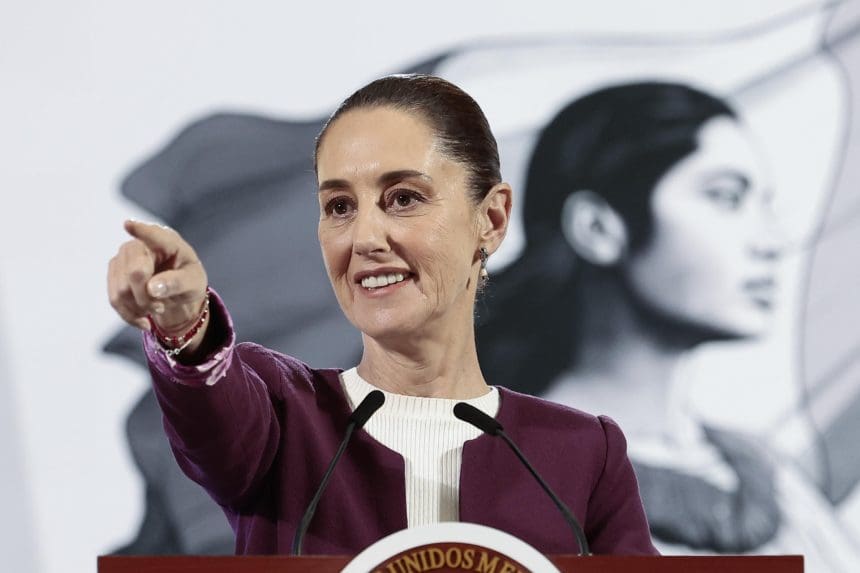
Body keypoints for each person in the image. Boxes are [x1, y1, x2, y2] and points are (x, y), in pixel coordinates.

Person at [106, 74, 658, 555]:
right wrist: (185, 326)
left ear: (490, 219)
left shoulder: (584, 452)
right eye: (339, 207)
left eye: (403, 198)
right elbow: (213, 411)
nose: (365, 238)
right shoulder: (282, 418)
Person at [477, 82, 860, 570]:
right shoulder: (499, 479)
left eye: (763, 204)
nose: (771, 241)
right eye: (725, 197)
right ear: (598, 227)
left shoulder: (767, 475)